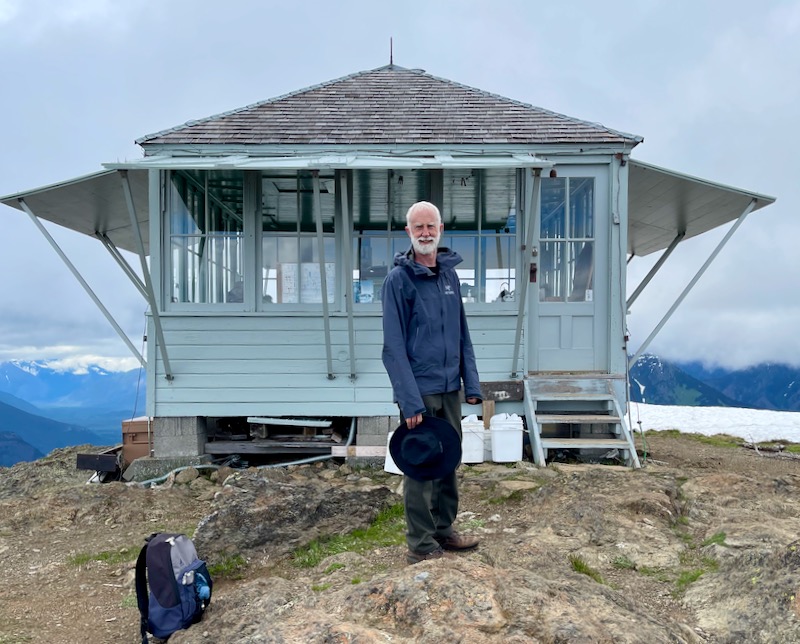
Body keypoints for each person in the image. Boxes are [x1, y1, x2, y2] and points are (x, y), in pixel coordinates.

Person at [381, 200, 483, 564]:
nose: (425, 233)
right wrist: (409, 402)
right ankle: (421, 544)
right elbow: (392, 348)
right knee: (422, 466)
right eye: (418, 227)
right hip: (419, 390)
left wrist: (471, 385)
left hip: (448, 386)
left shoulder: (450, 276)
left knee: (447, 461)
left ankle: (444, 531)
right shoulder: (398, 281)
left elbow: (462, 335)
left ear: (440, 230)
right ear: (408, 232)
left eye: (431, 227)